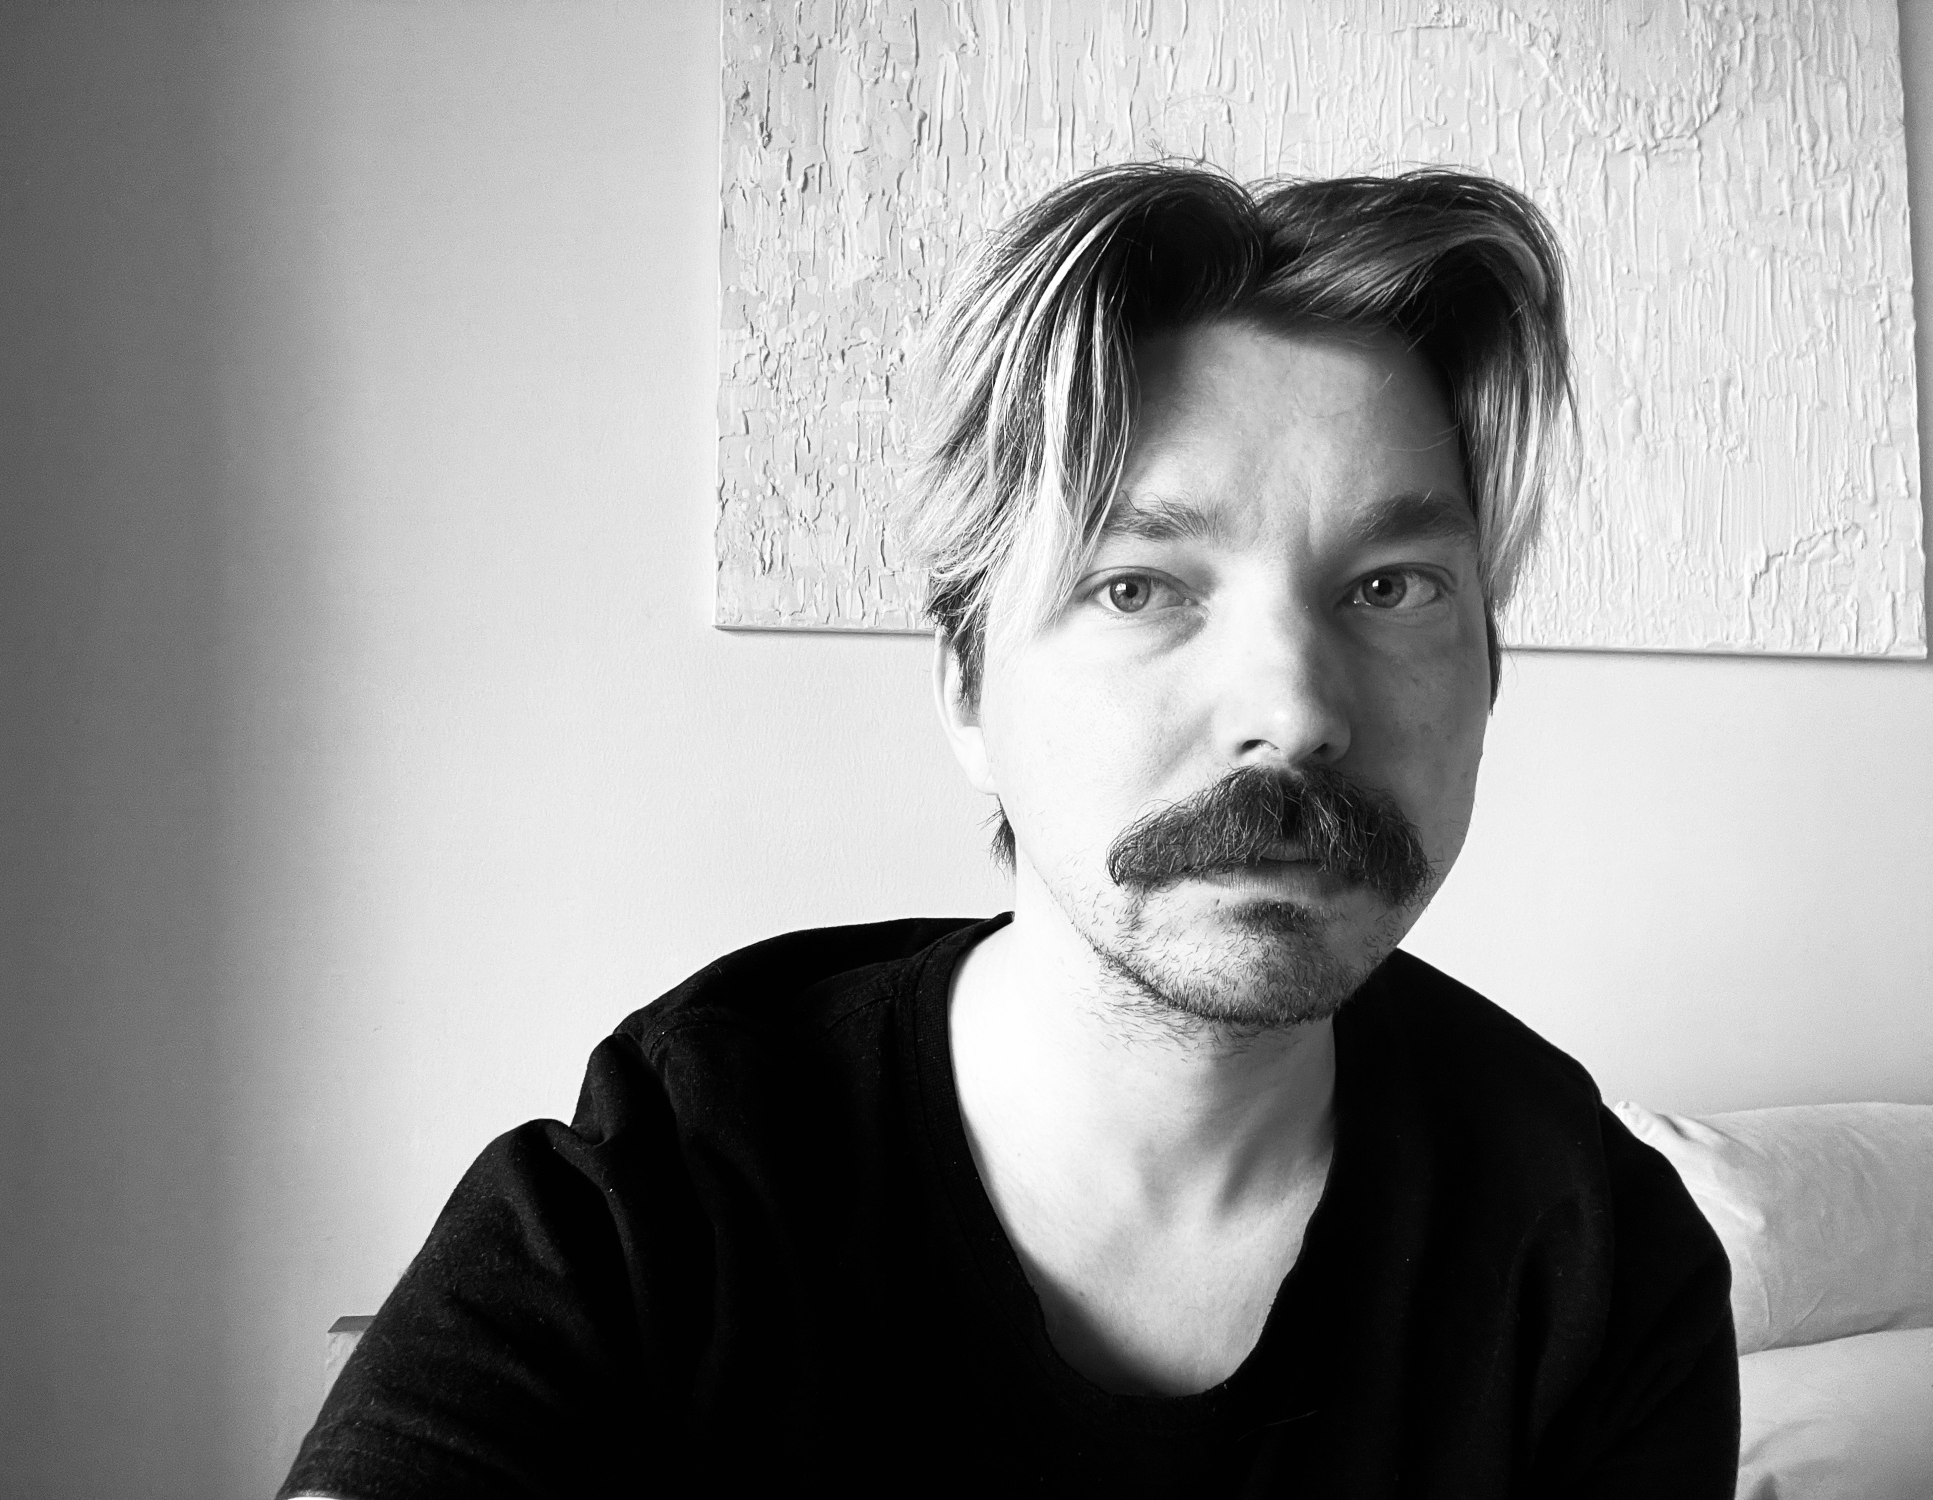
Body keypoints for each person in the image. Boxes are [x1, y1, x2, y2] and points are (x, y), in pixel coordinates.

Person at [282, 163, 1738, 1498]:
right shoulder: (656, 1201)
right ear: (966, 690)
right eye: (1137, 586)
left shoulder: (1597, 1259)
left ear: (1491, 674)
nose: (1294, 710)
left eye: (1392, 587)